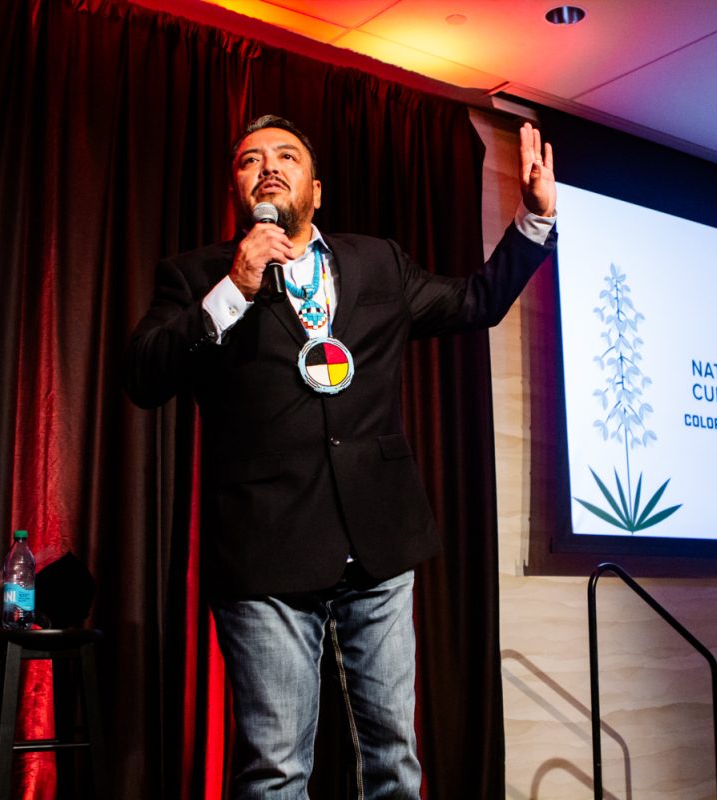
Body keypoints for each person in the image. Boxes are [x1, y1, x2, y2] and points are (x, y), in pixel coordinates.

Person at [124, 114, 556, 799]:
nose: (268, 166)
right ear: (237, 188)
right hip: (267, 551)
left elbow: (475, 300)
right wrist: (235, 286)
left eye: (286, 156)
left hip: (378, 544)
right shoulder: (197, 275)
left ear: (315, 189)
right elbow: (143, 377)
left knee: (395, 762)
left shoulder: (377, 261)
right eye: (250, 160)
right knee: (276, 770)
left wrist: (533, 223)